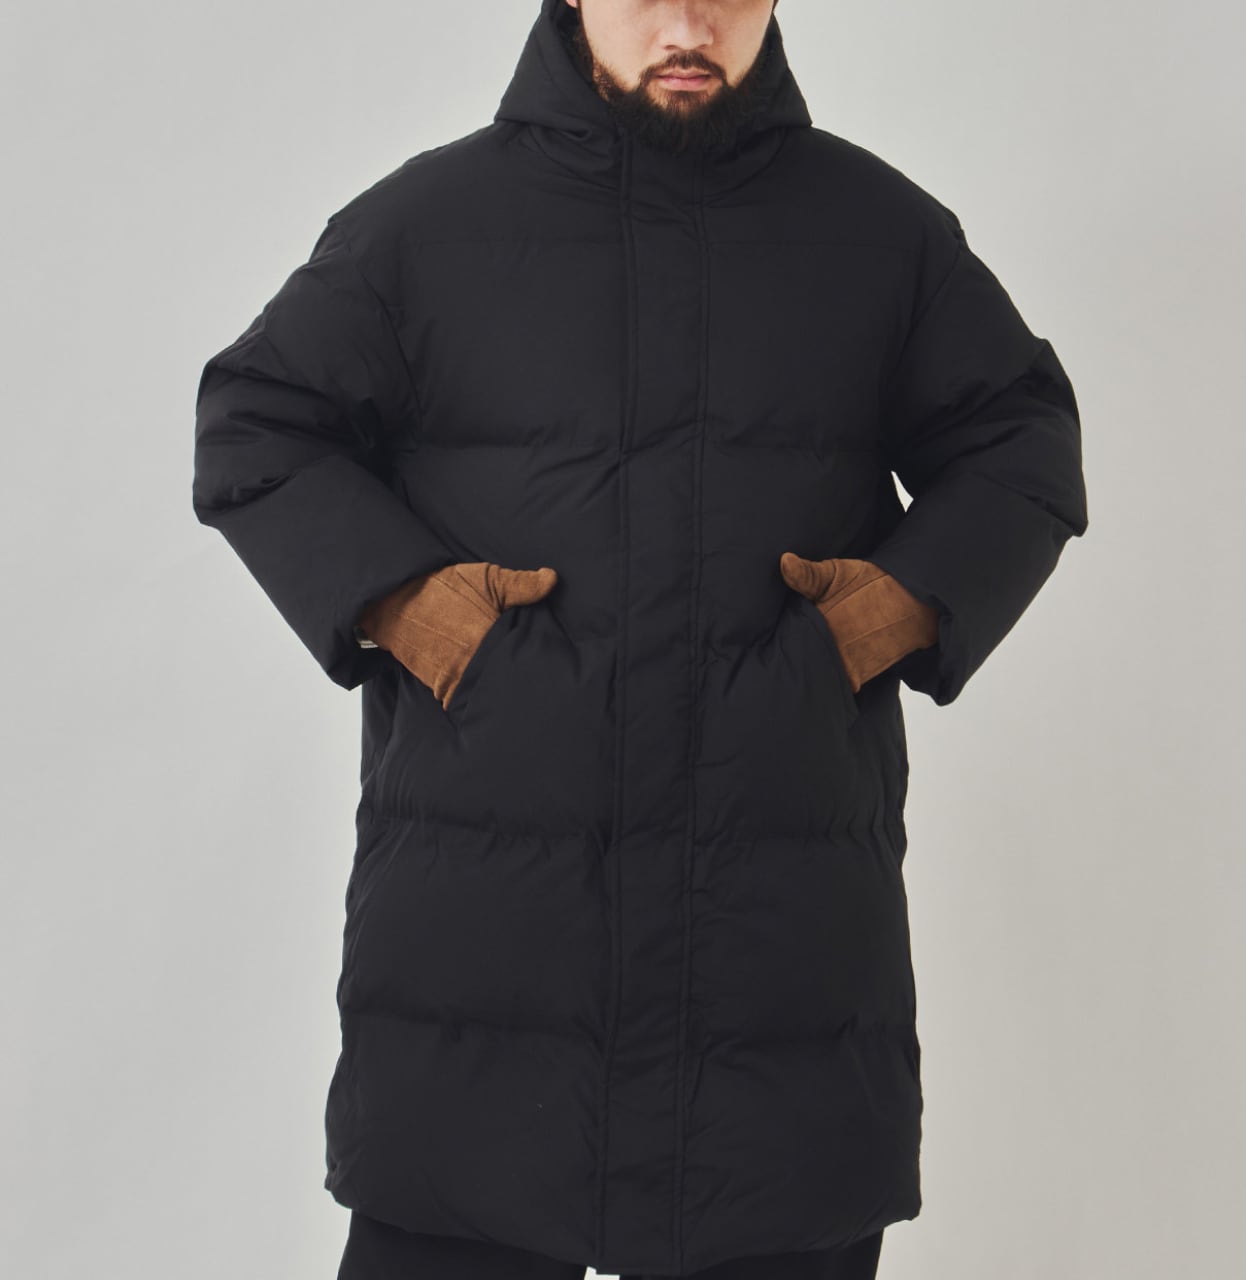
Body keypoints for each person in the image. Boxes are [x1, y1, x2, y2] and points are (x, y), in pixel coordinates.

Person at [191, 2, 1088, 1277]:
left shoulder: (877, 233)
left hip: (775, 967)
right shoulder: (425, 226)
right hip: (481, 958)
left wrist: (886, 612)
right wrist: (411, 608)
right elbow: (255, 421)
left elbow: (1020, 444)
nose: (683, 22)